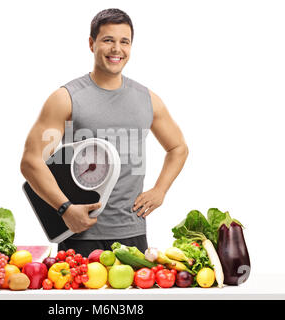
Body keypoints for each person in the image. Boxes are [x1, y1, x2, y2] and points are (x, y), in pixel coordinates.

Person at [20, 8, 188, 257]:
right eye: (108, 40)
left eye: (124, 41)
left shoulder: (148, 100)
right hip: (79, 233)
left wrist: (160, 190)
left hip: (132, 232)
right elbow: (31, 161)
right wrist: (64, 209)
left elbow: (178, 148)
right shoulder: (66, 98)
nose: (116, 49)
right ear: (92, 43)